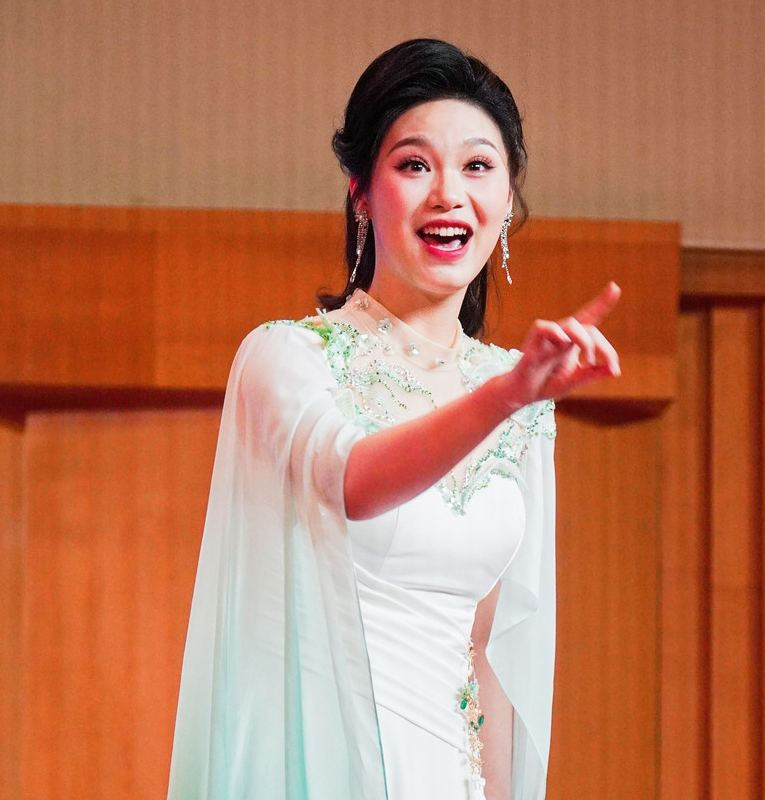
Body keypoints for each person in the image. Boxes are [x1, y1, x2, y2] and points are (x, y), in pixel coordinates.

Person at [167, 38, 620, 800]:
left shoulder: (514, 393)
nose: (448, 194)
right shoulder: (286, 357)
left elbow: (486, 651)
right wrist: (506, 397)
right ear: (360, 192)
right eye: (414, 165)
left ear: (507, 198)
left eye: (477, 167)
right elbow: (350, 481)